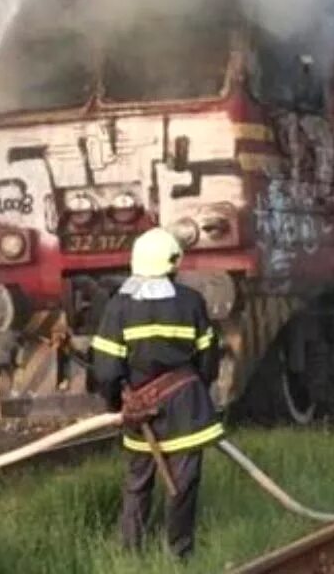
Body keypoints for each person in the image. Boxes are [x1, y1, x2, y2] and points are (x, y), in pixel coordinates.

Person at [92, 228, 223, 559]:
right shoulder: (191, 302)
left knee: (138, 484)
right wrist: (197, 394)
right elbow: (208, 359)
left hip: (140, 410)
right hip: (186, 410)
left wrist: (118, 404)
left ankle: (129, 552)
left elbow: (106, 369)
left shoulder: (118, 307)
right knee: (183, 486)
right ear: (172, 264)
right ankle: (178, 556)